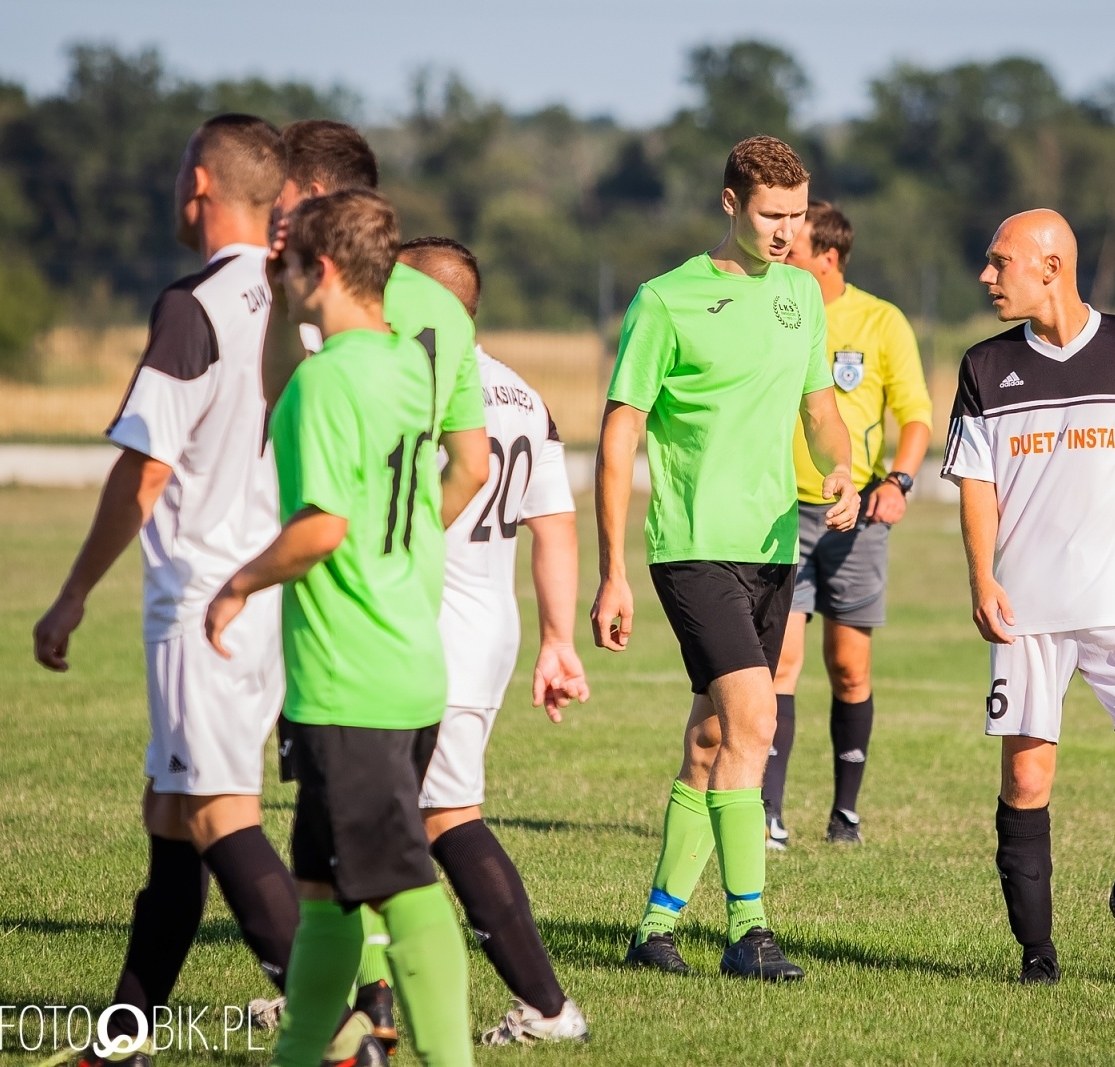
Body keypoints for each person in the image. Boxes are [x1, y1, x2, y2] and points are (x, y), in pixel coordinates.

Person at [29, 115, 371, 1067]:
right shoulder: (298, 301)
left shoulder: (197, 305)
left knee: (219, 814)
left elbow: (143, 475)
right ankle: (121, 1039)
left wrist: (70, 596)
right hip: (263, 599)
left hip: (200, 602)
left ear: (203, 187)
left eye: (185, 171)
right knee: (171, 820)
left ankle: (341, 1034)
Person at [205, 188, 480, 1067]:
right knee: (322, 894)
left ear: (316, 271)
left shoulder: (327, 384)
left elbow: (321, 525)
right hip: (405, 662)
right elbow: (293, 383)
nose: (276, 283)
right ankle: (298, 1053)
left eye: (284, 269)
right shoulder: (408, 365)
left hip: (351, 678)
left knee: (404, 885)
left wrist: (238, 584)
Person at [593, 136, 860, 981]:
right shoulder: (665, 301)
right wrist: (611, 570)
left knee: (713, 736)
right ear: (729, 204)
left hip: (776, 545)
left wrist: (843, 466)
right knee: (756, 723)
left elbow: (820, 409)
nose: (787, 232)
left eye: (797, 216)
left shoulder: (802, 298)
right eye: (771, 215)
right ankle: (750, 931)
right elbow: (617, 438)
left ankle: (653, 928)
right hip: (695, 547)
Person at [940, 209, 1115, 986]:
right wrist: (982, 576)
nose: (987, 277)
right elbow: (977, 484)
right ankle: (1038, 956)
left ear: (1052, 266)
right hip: (1027, 611)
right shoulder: (985, 367)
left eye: (1000, 263)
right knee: (1026, 781)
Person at [397, 237, 590, 1044]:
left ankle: (547, 1005)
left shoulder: (422, 381)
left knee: (440, 818)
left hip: (423, 624)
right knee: (387, 819)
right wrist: (555, 638)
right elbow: (554, 527)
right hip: (486, 630)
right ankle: (342, 998)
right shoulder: (522, 393)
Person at [764, 200, 934, 848]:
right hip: (781, 510)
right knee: (781, 661)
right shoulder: (775, 309)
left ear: (828, 258)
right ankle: (769, 815)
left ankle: (845, 814)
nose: (782, 256)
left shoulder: (882, 321)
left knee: (849, 668)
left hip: (856, 514)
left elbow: (915, 414)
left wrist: (899, 481)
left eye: (795, 250)